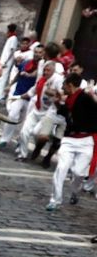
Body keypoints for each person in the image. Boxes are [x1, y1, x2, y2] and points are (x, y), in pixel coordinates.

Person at [49, 74, 97, 211]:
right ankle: (55, 200)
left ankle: (75, 191)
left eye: (64, 85)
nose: (62, 88)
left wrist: (92, 94)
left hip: (86, 140)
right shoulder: (69, 98)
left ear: (70, 85)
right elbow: (64, 112)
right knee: (61, 168)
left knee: (78, 173)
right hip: (69, 140)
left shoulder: (85, 96)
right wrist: (57, 102)